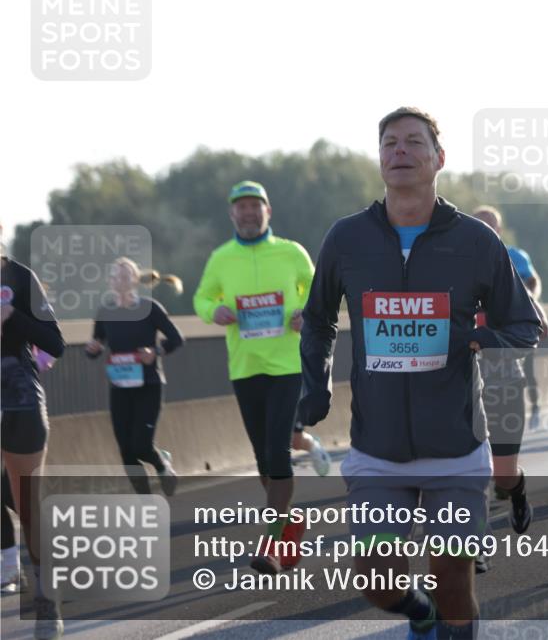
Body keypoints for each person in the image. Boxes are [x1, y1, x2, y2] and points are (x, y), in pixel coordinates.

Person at [296, 107, 540, 640]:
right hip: (377, 447)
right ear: (380, 158)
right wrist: (314, 387)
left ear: (439, 158)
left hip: (455, 445)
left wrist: (473, 338)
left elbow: (526, 325)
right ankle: (417, 613)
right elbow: (316, 322)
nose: (400, 151)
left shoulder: (475, 240)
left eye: (413, 142)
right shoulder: (347, 238)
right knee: (378, 583)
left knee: (453, 581)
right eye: (389, 143)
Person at [193, 180, 316, 574]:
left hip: (286, 366)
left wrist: (305, 314)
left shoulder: (291, 252)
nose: (248, 213)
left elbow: (318, 291)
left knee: (278, 453)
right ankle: (289, 524)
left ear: (268, 212)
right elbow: (201, 298)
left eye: (255, 206)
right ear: (232, 214)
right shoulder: (221, 258)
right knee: (263, 459)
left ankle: (270, 543)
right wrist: (215, 312)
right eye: (241, 207)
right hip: (245, 367)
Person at [471, 206, 548, 533]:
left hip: (505, 379)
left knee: (503, 473)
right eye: (478, 227)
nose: (484, 233)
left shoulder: (512, 261)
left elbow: (541, 326)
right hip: (464, 384)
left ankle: (517, 493)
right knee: (473, 468)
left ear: (499, 231)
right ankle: (475, 542)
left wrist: (522, 307)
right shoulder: (453, 265)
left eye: (490, 228)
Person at [2, 246, 66, 639]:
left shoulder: (19, 278)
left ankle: (47, 602)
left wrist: (13, 317)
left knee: (26, 504)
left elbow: (56, 343)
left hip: (17, 393)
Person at [84, 258, 184, 495]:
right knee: (127, 452)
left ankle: (162, 465)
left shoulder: (150, 308)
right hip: (120, 386)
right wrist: (92, 350)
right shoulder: (105, 312)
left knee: (140, 445)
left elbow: (176, 339)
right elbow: (96, 345)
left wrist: (156, 351)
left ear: (135, 280)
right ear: (109, 282)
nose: (120, 279)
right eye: (115, 275)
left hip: (148, 384)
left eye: (125, 275)